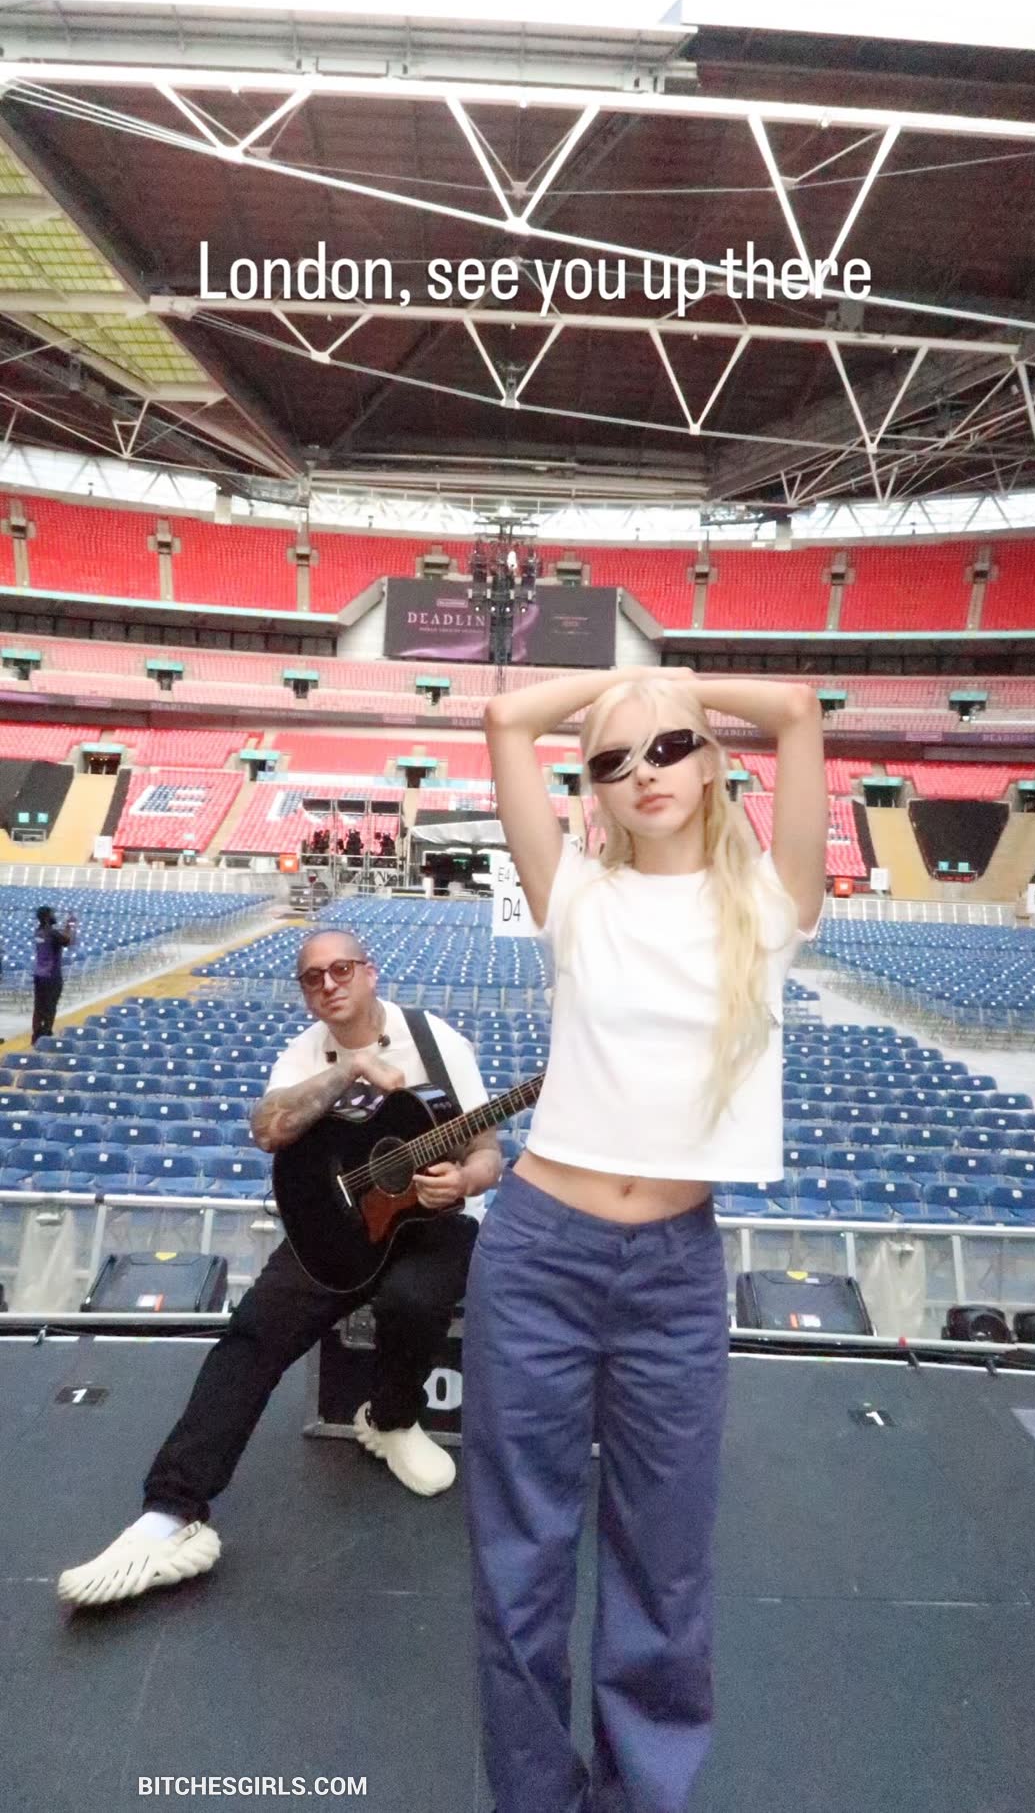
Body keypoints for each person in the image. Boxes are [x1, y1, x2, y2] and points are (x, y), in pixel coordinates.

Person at [464, 667, 826, 1813]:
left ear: (713, 761)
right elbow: (505, 716)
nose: (645, 772)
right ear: (594, 791)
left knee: (664, 1569)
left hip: (672, 1271)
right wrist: (631, 689)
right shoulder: (572, 893)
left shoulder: (770, 904)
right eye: (613, 762)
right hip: (537, 1254)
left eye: (671, 747)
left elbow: (797, 709)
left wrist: (667, 686)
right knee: (519, 1564)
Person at [58, 926, 502, 1609]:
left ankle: (390, 1421)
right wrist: (349, 1069)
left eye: (341, 969)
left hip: (432, 1222)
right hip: (338, 1226)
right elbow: (269, 1128)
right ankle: (169, 1515)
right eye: (312, 977)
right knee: (252, 1335)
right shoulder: (303, 1054)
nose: (328, 984)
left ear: (370, 972)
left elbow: (487, 1151)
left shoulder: (438, 1042)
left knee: (413, 1300)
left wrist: (464, 1182)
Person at [31, 905, 77, 1044]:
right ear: (47, 917)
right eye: (52, 914)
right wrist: (71, 926)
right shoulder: (52, 933)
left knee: (39, 1007)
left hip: (39, 975)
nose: (54, 916)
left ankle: (36, 1035)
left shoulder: (38, 932)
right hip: (52, 976)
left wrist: (66, 928)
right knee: (50, 1006)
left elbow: (60, 938)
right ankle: (45, 1036)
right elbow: (69, 941)